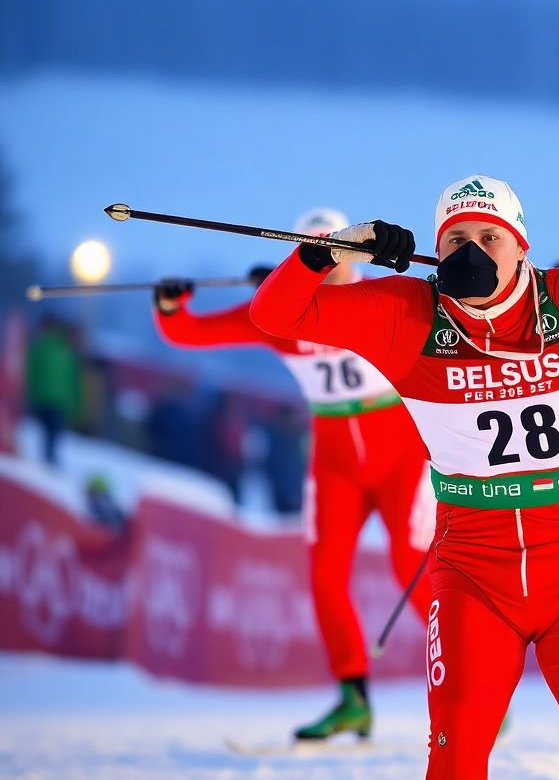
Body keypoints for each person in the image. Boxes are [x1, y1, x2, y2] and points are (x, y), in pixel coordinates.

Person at [250, 174, 559, 780]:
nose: (472, 251)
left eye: (489, 237)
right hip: (474, 569)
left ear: (521, 245)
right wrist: (328, 253)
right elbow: (275, 315)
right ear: (436, 251)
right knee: (454, 755)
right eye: (456, 240)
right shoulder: (405, 313)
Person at [153, 208, 435, 741]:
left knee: (410, 567)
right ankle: (352, 698)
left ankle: (468, 680)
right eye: (318, 250)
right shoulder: (282, 315)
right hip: (335, 464)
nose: (332, 261)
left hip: (401, 457)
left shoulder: (378, 301)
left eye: (339, 249)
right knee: (325, 576)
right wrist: (171, 306)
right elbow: (189, 333)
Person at [25, 314, 82, 464]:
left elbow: (71, 380)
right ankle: (49, 458)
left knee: (51, 432)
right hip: (54, 399)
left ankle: (48, 457)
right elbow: (71, 380)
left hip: (50, 398)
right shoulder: (60, 350)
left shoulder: (46, 347)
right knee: (52, 431)